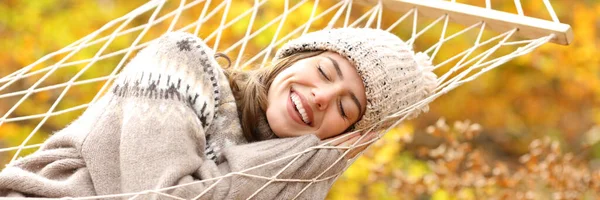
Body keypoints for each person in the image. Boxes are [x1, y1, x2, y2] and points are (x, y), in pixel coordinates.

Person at [0, 28, 436, 199]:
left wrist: (319, 164)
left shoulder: (299, 173)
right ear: (293, 57)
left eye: (345, 107)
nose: (323, 97)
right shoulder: (181, 63)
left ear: (347, 133)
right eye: (325, 70)